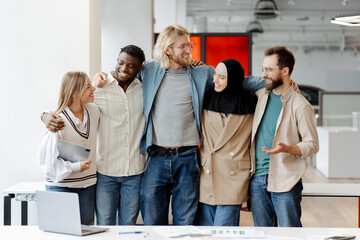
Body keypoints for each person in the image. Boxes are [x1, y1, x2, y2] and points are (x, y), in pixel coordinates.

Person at [93, 24, 264, 225]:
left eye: (189, 44)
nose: (188, 49)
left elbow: (237, 80)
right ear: (168, 49)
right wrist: (101, 75)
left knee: (186, 221)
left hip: (188, 157)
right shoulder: (149, 70)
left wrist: (272, 82)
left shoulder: (203, 73)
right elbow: (124, 71)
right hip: (156, 158)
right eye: (183, 46)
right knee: (152, 220)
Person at [42, 45, 146, 225]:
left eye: (131, 66)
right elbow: (68, 102)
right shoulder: (98, 90)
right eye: (121, 63)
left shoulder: (144, 90)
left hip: (134, 170)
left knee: (128, 225)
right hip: (105, 171)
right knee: (104, 223)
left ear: (139, 69)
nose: (124, 68)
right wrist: (45, 116)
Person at [249, 46, 319, 227]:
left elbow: (312, 144)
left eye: (269, 69)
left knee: (291, 235)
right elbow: (239, 82)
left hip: (286, 180)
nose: (264, 74)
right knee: (263, 235)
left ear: (285, 71)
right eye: (262, 69)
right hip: (257, 179)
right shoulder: (260, 96)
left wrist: (289, 148)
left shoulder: (300, 105)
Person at [198, 59, 257, 226]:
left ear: (234, 79)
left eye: (222, 77)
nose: (215, 80)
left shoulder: (250, 102)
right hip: (208, 172)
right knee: (206, 233)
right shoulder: (207, 97)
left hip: (233, 175)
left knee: (223, 232)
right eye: (215, 75)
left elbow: (265, 85)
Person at [38, 71, 100, 225]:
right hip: (62, 187)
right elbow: (49, 165)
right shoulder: (57, 121)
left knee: (86, 231)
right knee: (62, 232)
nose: (93, 89)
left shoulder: (94, 111)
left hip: (88, 185)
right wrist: (76, 166)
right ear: (75, 93)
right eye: (88, 86)